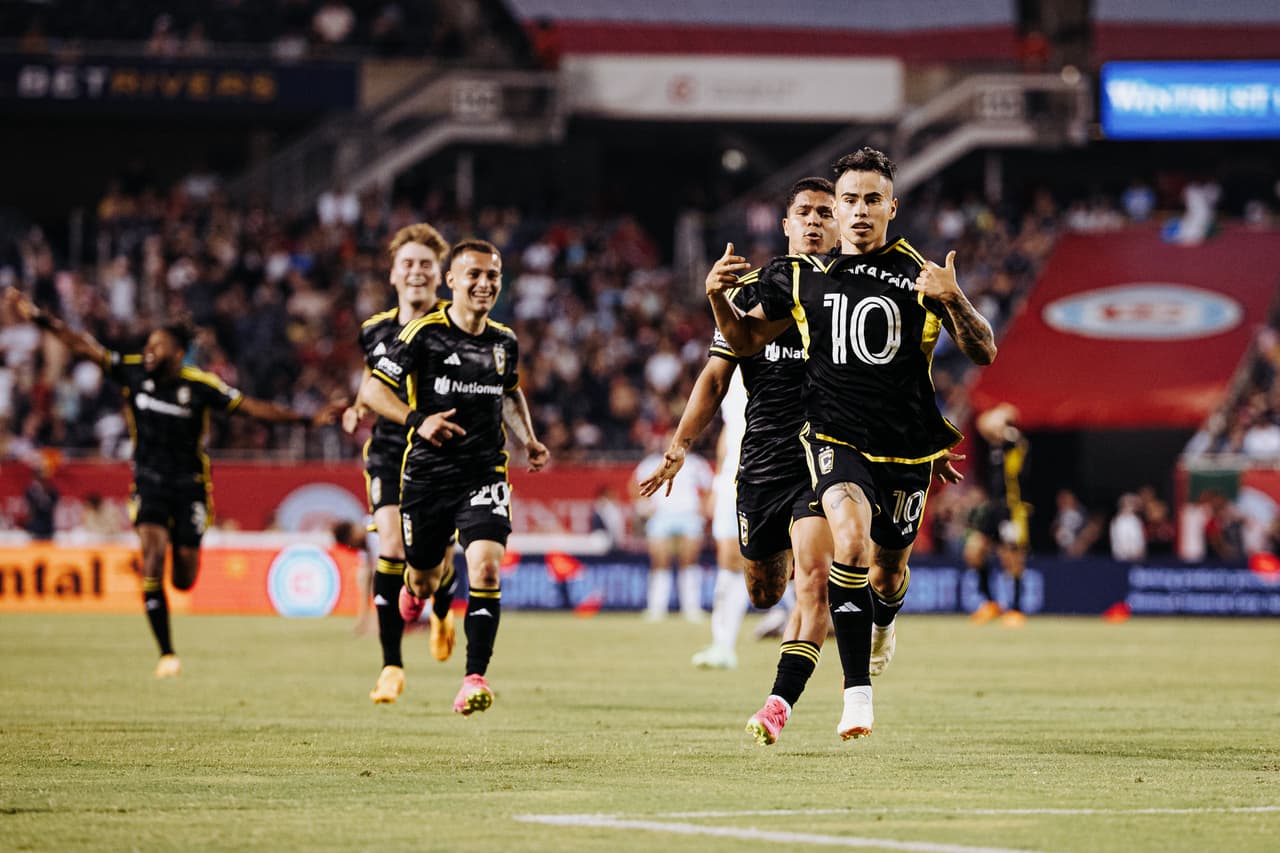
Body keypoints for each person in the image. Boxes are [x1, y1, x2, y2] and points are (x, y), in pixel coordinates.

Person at [707, 147, 995, 741]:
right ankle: (857, 696)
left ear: (892, 207)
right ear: (835, 210)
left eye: (871, 200)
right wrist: (716, 297)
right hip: (836, 439)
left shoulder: (919, 274)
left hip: (905, 449)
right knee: (851, 541)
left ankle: (884, 623)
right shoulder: (802, 276)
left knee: (887, 574)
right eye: (849, 200)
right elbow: (744, 341)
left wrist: (955, 298)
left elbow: (984, 351)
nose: (859, 210)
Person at [6, 288, 336, 678]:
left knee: (183, 578)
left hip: (190, 485)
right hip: (148, 480)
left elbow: (251, 408)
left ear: (178, 353)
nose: (149, 351)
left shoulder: (199, 386)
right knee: (152, 553)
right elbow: (83, 346)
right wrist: (40, 318)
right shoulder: (132, 372)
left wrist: (306, 419)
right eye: (148, 344)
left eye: (157, 345)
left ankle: (179, 569)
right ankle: (166, 653)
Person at [639, 177, 841, 682]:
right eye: (805, 213)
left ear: (840, 226)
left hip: (828, 454)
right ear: (786, 225)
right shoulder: (750, 292)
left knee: (816, 576)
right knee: (763, 589)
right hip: (764, 460)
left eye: (825, 213)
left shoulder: (854, 294)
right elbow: (715, 377)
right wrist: (680, 445)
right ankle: (793, 604)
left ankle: (789, 692)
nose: (815, 222)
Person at [359, 239, 549, 716]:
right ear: (452, 281)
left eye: (493, 275)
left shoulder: (504, 341)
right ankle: (417, 592)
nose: (484, 284)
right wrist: (418, 420)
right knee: (424, 579)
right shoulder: (424, 334)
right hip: (428, 476)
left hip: (484, 471)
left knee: (485, 566)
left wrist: (528, 439)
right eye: (474, 275)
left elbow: (510, 392)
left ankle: (474, 678)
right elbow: (374, 391)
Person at [340, 222, 454, 705]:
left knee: (435, 566)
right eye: (407, 263)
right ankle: (391, 666)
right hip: (389, 450)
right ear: (393, 273)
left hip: (443, 454)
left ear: (440, 274)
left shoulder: (456, 324)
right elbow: (375, 379)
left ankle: (443, 609)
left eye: (426, 264)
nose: (416, 271)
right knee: (390, 546)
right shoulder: (374, 329)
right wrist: (357, 408)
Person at [631, 434, 713, 623]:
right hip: (661, 516)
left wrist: (703, 510)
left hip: (689, 516)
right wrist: (643, 506)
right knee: (660, 561)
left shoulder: (696, 463)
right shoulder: (651, 463)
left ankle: (692, 608)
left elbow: (709, 487)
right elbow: (634, 485)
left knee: (689, 561)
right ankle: (656, 608)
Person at [963, 403, 1031, 626]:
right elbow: (982, 423)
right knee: (974, 550)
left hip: (1011, 505)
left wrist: (1003, 412)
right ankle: (990, 603)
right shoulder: (997, 443)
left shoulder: (1013, 438)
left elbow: (987, 423)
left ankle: (1016, 609)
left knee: (1011, 557)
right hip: (993, 507)